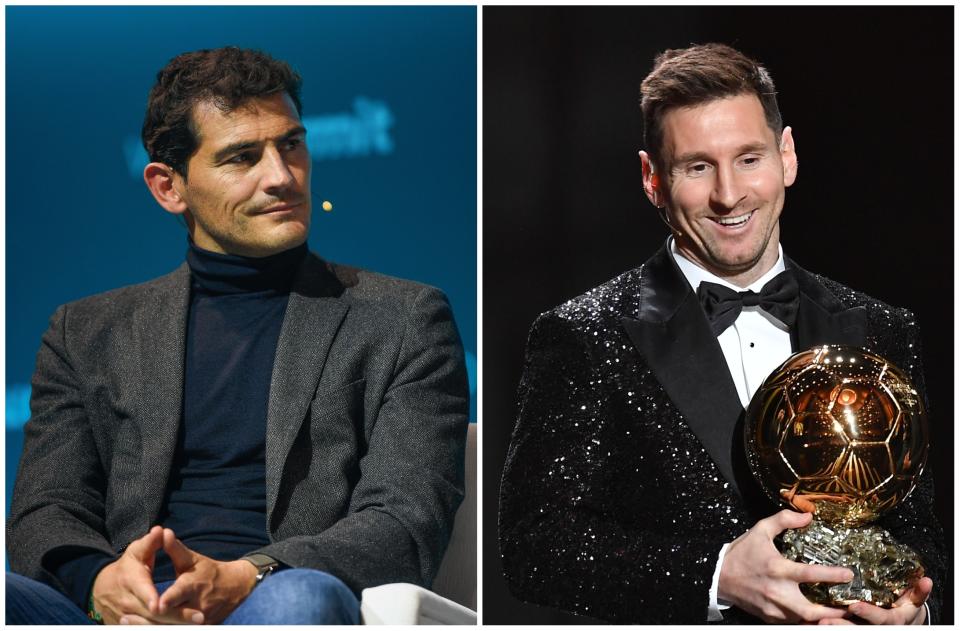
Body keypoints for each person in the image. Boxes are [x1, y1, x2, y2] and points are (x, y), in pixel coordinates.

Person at [6, 47, 468, 625]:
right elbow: (46, 510)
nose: (281, 176)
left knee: (303, 599)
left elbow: (406, 519)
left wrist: (247, 574)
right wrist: (100, 581)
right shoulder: (85, 332)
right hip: (123, 607)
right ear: (169, 188)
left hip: (274, 589)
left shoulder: (402, 318)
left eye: (291, 144)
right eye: (242, 157)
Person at [498, 43, 944, 624]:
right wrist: (719, 574)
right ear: (652, 179)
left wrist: (917, 611)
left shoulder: (882, 328)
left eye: (749, 159)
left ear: (787, 156)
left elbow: (924, 534)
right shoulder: (581, 335)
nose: (729, 195)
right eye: (698, 166)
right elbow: (535, 546)